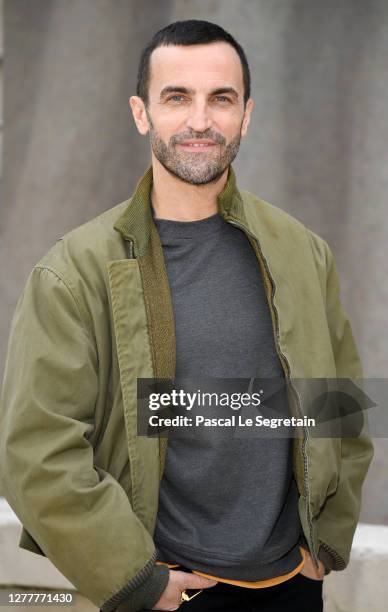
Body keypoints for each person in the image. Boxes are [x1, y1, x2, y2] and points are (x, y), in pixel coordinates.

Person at [0, 19, 373, 612]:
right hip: (165, 590)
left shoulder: (303, 251)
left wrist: (325, 541)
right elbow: (35, 450)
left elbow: (339, 404)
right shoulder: (73, 271)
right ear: (140, 112)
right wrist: (136, 579)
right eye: (177, 97)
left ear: (245, 114)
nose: (201, 121)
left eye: (220, 99)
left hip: (291, 585)